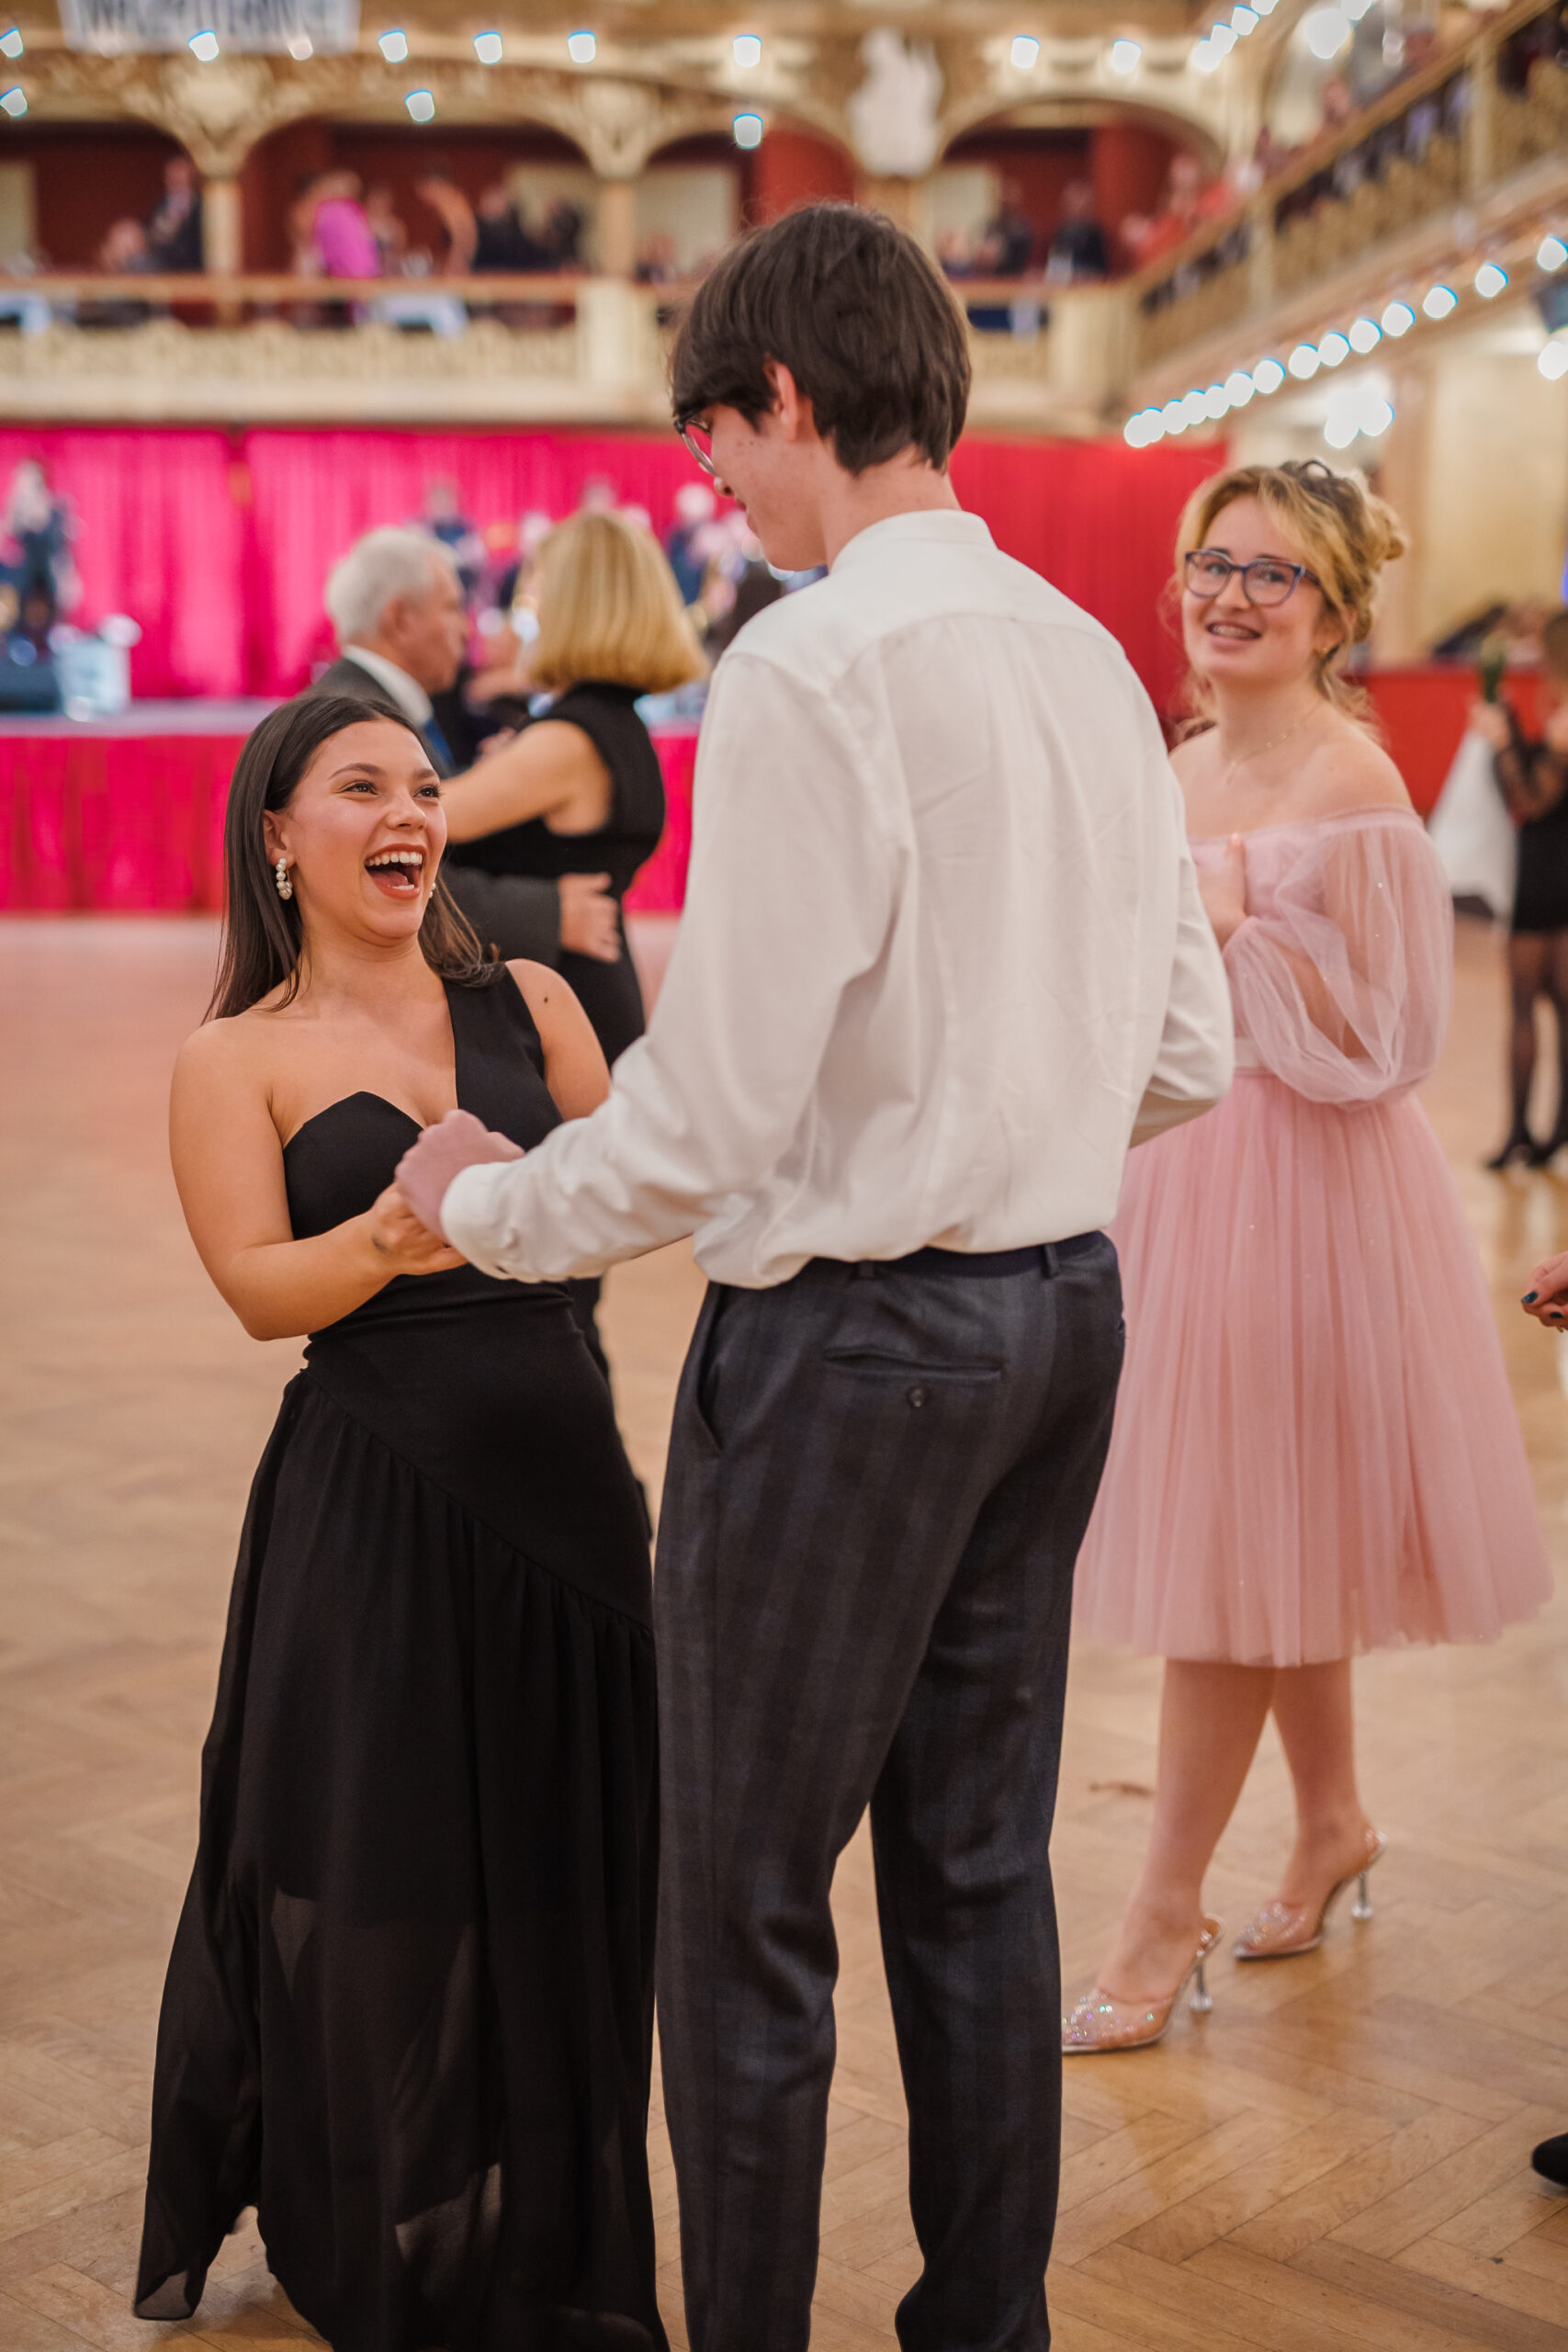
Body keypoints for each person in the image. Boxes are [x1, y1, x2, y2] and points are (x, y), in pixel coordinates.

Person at [391, 202, 1234, 2351]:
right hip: (1059, 1313)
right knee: (975, 1868)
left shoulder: (809, 654)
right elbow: (1182, 1051)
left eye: (712, 439)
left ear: (782, 395)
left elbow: (709, 1117)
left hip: (858, 1348)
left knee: (742, 1896)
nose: (711, 488)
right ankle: (984, 2327)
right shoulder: (1083, 651)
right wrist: (998, 1131)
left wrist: (483, 1202)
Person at [133, 692, 665, 2350]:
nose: (408, 814)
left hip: (568, 1499)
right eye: (360, 787)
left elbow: (628, 1208)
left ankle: (549, 2235)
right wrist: (397, 1232)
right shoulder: (233, 1057)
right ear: (278, 837)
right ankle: (374, 2222)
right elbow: (252, 1289)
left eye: (425, 786)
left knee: (573, 1868)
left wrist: (533, 1211)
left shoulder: (535, 1000)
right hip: (373, 1502)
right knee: (386, 1866)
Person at [1064, 461, 1551, 2056]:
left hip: (1302, 1184)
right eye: (1211, 563)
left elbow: (1393, 1040)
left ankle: (1158, 1916)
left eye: (1270, 573)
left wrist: (1233, 931)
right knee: (1265, 1528)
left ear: (1334, 612)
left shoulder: (1354, 784)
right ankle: (1331, 1821)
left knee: (1224, 1547)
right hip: (1172, 1173)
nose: (1229, 595)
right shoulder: (1179, 761)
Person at [441, 509, 703, 1067]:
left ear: (574, 603)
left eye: (539, 586)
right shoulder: (611, 723)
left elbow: (423, 819)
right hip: (584, 988)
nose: (529, 604)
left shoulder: (567, 740)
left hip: (556, 1002)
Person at [314, 526, 620, 973]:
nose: (466, 628)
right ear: (401, 618)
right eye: (453, 608)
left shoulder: (369, 702)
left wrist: (485, 774)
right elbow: (382, 867)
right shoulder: (358, 716)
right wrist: (546, 913)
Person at [1470, 607, 1568, 1167]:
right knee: (1558, 1006)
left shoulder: (1565, 720)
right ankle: (1550, 1131)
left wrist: (1502, 741)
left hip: (1544, 874)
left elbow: (1531, 800)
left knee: (1525, 1005)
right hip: (1555, 871)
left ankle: (1521, 1131)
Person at [145, 154, 203, 272]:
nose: (175, 185)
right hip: (158, 259)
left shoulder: (199, 206)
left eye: (179, 181)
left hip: (184, 267)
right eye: (171, 179)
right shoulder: (162, 205)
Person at [1044, 180, 1109, 284]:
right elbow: (1057, 267)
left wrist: (1081, 274)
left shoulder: (1095, 233)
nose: (1078, 208)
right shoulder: (1062, 231)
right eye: (1073, 203)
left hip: (1089, 283)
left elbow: (1101, 268)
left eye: (1082, 205)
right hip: (1067, 283)